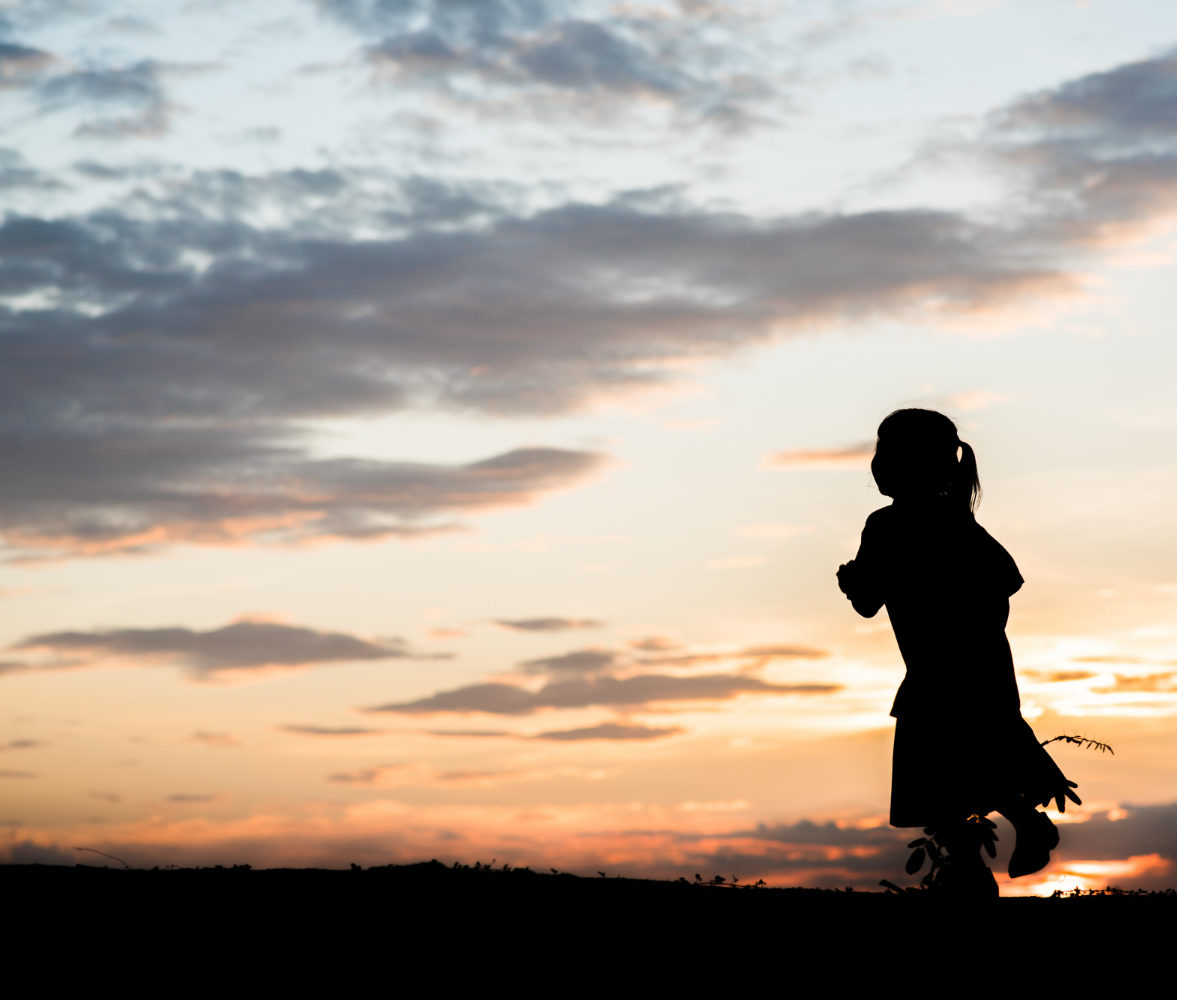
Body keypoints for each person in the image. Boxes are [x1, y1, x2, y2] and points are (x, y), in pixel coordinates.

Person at [837, 408, 1078, 895]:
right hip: (976, 667)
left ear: (913, 463)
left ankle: (977, 863)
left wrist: (850, 580)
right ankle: (999, 846)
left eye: (886, 453)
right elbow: (1007, 580)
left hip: (941, 672)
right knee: (969, 763)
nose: (877, 465)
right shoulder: (956, 523)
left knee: (935, 779)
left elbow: (866, 602)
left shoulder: (888, 526)